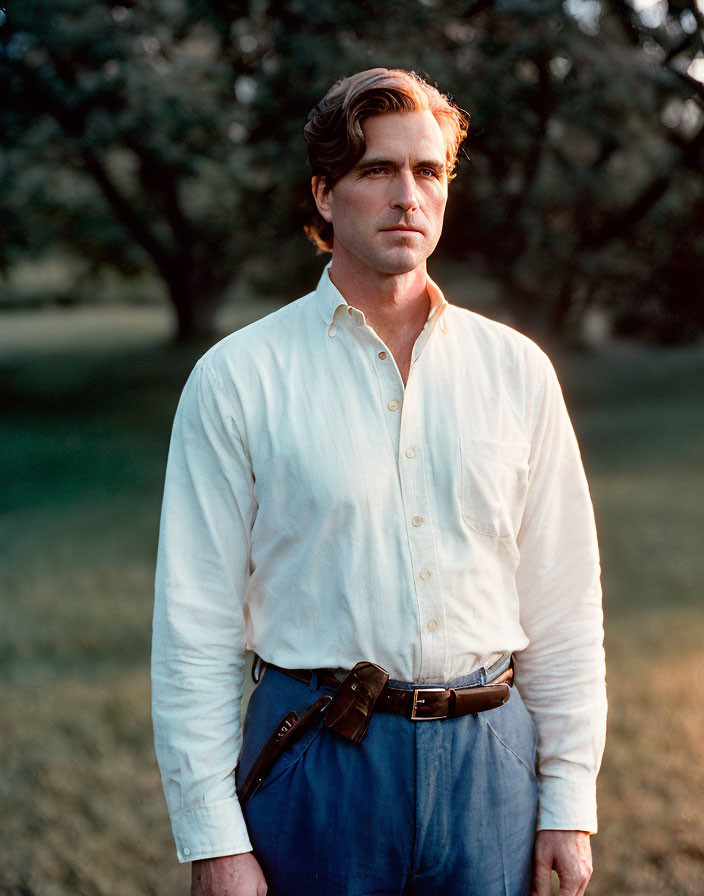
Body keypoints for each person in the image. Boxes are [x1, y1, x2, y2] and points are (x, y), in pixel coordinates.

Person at [152, 68, 607, 896]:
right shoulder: (238, 378)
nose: (408, 194)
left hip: (492, 766)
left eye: (428, 171)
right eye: (377, 170)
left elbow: (566, 605)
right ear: (325, 195)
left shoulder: (517, 371)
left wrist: (568, 804)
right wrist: (213, 839)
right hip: (317, 762)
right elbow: (195, 626)